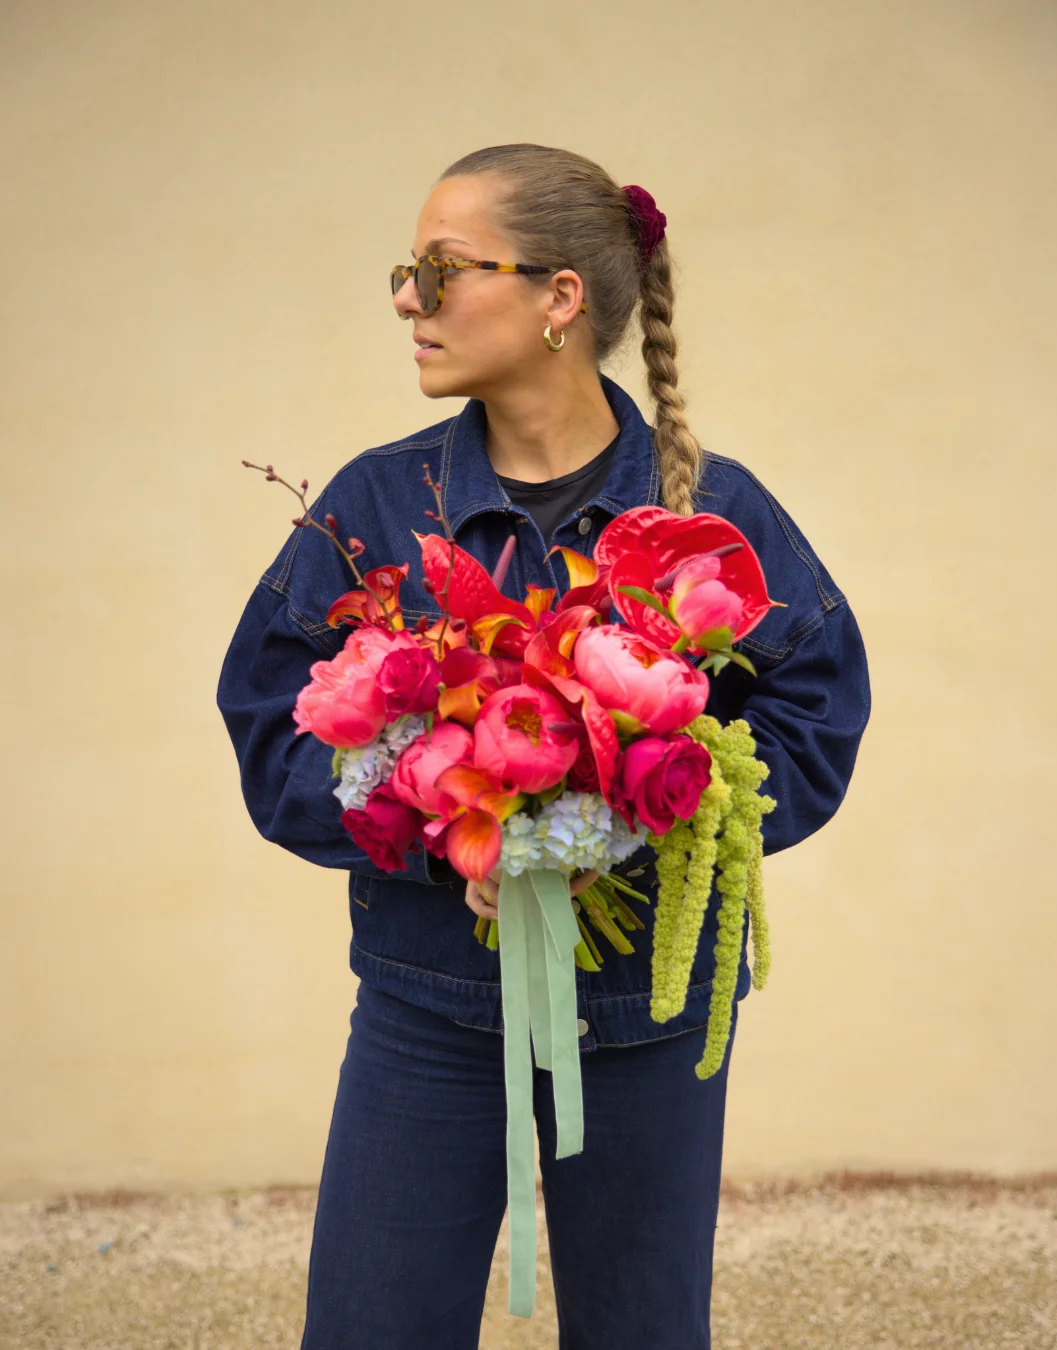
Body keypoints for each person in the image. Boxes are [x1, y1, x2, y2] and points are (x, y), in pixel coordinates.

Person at [217, 143, 872, 1350]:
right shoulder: (376, 508)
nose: (407, 299)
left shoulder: (712, 514)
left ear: (558, 296)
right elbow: (271, 726)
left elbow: (814, 715)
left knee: (641, 1332)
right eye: (407, 270)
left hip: (648, 1019)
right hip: (427, 1009)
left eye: (441, 270)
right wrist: (443, 822)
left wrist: (636, 815)